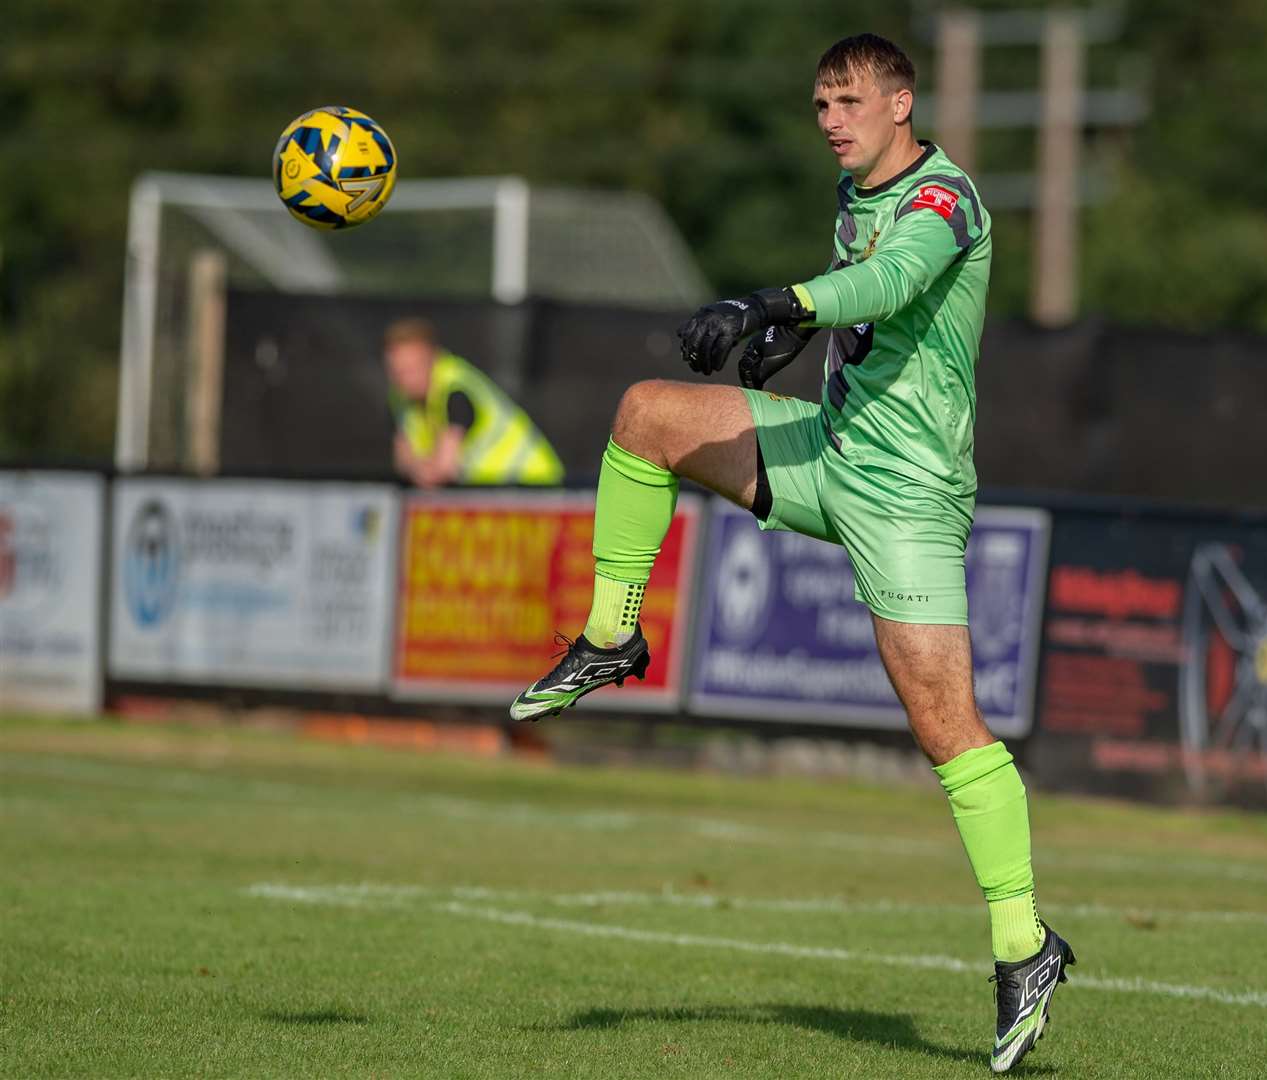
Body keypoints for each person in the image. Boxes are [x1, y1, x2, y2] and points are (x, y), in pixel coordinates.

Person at [506, 34, 1074, 1072]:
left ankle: (1022, 945)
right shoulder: (857, 193)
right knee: (645, 417)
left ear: (902, 102)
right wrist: (797, 342)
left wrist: (779, 305)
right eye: (818, 101)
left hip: (905, 497)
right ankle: (609, 633)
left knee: (947, 730)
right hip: (828, 452)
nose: (828, 117)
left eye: (848, 99)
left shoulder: (945, 201)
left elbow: (893, 282)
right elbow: (861, 303)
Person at [383, 318, 564, 487]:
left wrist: (418, 467)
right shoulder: (398, 398)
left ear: (434, 358)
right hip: (492, 492)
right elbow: (402, 460)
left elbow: (442, 470)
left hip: (534, 486)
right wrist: (418, 467)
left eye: (412, 368)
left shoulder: (456, 392)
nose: (405, 379)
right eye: (398, 371)